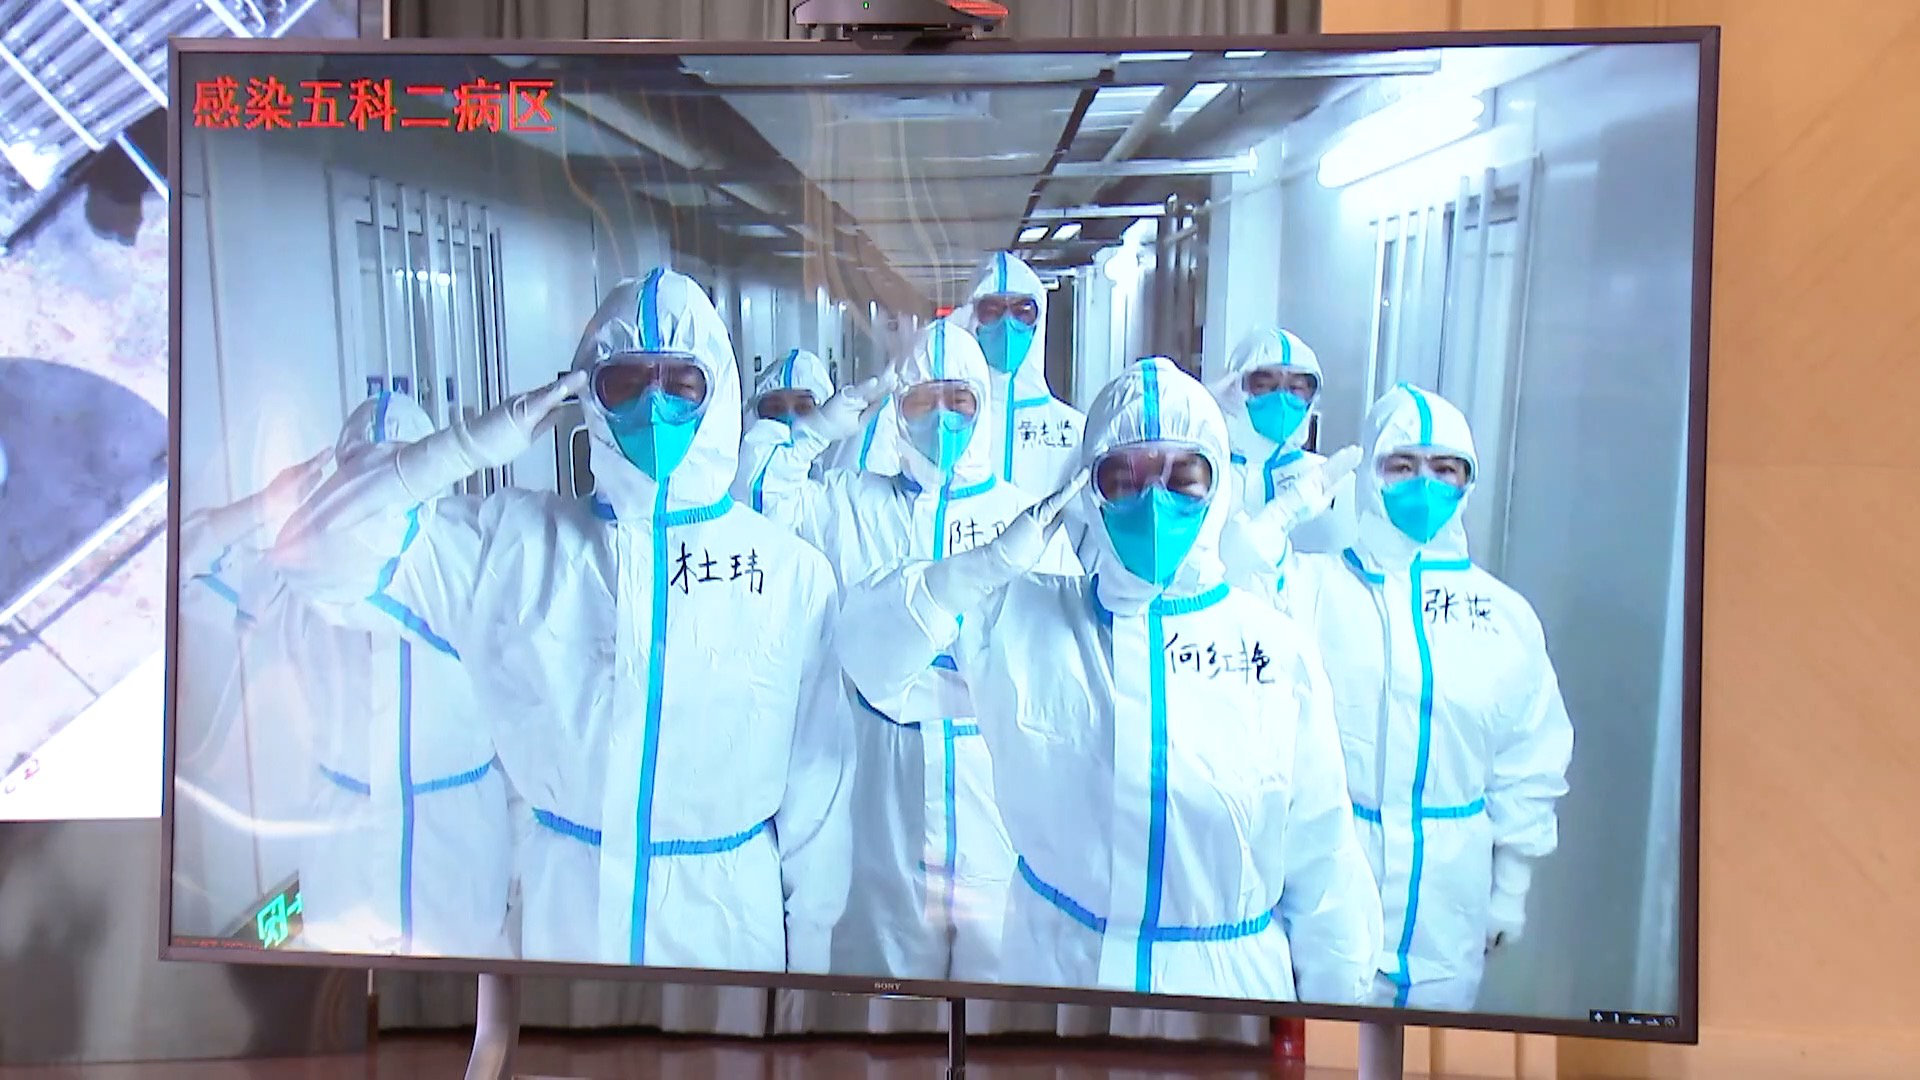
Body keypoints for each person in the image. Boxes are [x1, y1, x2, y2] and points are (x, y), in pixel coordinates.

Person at [271, 269, 854, 974]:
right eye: (625, 383)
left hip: (726, 920)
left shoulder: (788, 573)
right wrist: (467, 445)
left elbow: (819, 791)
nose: (654, 405)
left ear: (721, 390)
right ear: (586, 394)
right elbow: (316, 556)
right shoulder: (513, 547)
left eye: (682, 383)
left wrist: (812, 954)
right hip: (568, 915)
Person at [836, 356, 1380, 1002]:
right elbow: (871, 657)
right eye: (1123, 478)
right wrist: (979, 568)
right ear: (1087, 490)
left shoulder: (1274, 651)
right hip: (1056, 978)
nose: (1153, 501)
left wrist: (1332, 1020)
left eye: (1183, 476)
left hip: (1224, 992)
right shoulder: (1019, 622)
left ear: (1218, 485)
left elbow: (1326, 873)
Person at [734, 318, 1079, 982]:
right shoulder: (851, 502)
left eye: (959, 400)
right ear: (897, 409)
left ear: (983, 405)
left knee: (994, 977)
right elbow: (756, 505)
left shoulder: (1026, 521)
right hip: (876, 768)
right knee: (885, 974)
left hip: (990, 774)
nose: (942, 417)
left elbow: (1056, 667)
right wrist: (814, 433)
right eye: (923, 400)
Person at [1236, 383, 1574, 1011]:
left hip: (1449, 905)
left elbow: (1529, 756)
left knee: (1430, 1053)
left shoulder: (1503, 617)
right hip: (1328, 888)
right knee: (1321, 1044)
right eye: (1402, 465)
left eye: (1446, 469)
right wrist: (1274, 521)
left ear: (1468, 481)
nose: (1425, 484)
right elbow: (1222, 604)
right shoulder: (1309, 587)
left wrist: (1512, 887)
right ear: (1368, 474)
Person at [179, 393, 512, 958]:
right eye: (361, 479)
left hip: (455, 848)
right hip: (342, 853)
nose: (376, 502)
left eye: (393, 475)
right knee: (344, 997)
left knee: (457, 993)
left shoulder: (476, 570)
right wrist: (263, 504)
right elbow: (182, 572)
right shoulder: (289, 578)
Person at [1204, 326, 1355, 558]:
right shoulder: (1206, 472)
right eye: (1265, 386)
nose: (1282, 398)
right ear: (1233, 386)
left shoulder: (1327, 478)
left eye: (1296, 388)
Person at [945, 252, 1085, 494]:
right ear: (971, 317)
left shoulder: (1074, 433)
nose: (1008, 322)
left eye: (1022, 311)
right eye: (992, 310)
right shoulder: (945, 423)